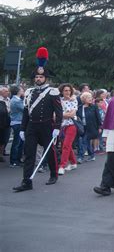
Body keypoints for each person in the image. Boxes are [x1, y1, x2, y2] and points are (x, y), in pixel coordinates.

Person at [13, 47, 63, 192]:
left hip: (47, 126)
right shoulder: (29, 92)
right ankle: (26, 182)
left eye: (41, 77)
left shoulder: (53, 92)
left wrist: (57, 127)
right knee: (29, 153)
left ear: (46, 78)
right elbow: (26, 112)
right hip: (32, 127)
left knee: (50, 152)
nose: (38, 79)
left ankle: (54, 174)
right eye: (36, 77)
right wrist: (22, 129)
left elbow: (58, 112)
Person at [57, 84, 78, 175]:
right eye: (65, 90)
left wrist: (62, 114)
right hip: (61, 126)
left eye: (69, 90)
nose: (67, 92)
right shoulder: (58, 101)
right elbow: (55, 115)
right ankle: (73, 163)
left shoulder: (74, 100)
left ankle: (62, 166)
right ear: (62, 91)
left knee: (66, 145)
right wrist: (65, 114)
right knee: (66, 146)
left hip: (71, 125)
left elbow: (72, 115)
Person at [77, 92, 102, 163]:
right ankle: (92, 155)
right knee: (86, 142)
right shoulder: (79, 107)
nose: (90, 99)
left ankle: (80, 157)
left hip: (91, 127)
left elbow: (98, 117)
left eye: (91, 97)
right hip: (82, 127)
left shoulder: (94, 107)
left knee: (84, 141)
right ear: (84, 99)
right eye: (88, 97)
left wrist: (100, 127)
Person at [9, 86, 24, 167]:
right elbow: (25, 109)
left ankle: (17, 159)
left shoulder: (17, 100)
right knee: (17, 142)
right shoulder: (16, 101)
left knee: (20, 142)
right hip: (17, 122)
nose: (23, 91)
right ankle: (13, 160)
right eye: (22, 90)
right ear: (18, 91)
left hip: (19, 122)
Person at [0, 86, 11, 161]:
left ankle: (1, 154)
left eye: (8, 91)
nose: (8, 93)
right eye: (6, 91)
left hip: (7, 122)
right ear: (1, 92)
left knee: (5, 139)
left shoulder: (8, 99)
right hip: (1, 122)